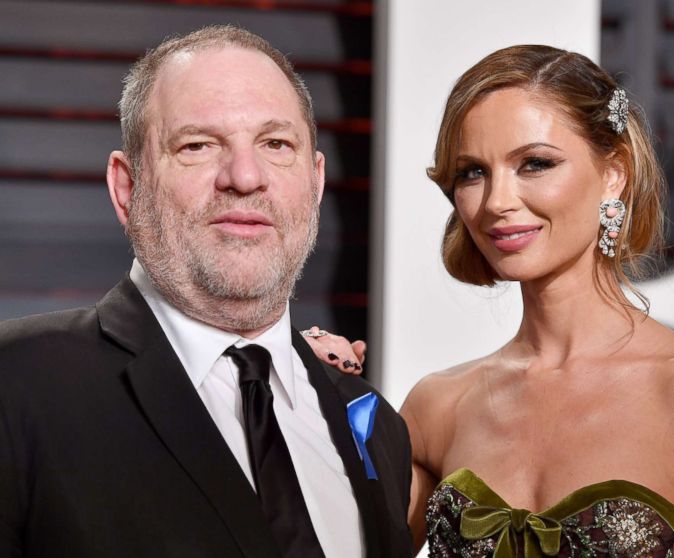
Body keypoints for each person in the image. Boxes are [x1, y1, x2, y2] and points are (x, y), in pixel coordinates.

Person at [306, 45, 674, 557]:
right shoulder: (440, 406)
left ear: (613, 172)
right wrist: (314, 397)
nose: (498, 201)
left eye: (534, 163)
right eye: (472, 172)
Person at [0, 26, 412, 558]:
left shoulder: (374, 423)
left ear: (315, 183)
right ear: (127, 188)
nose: (244, 176)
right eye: (197, 145)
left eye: (276, 144)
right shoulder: (16, 385)